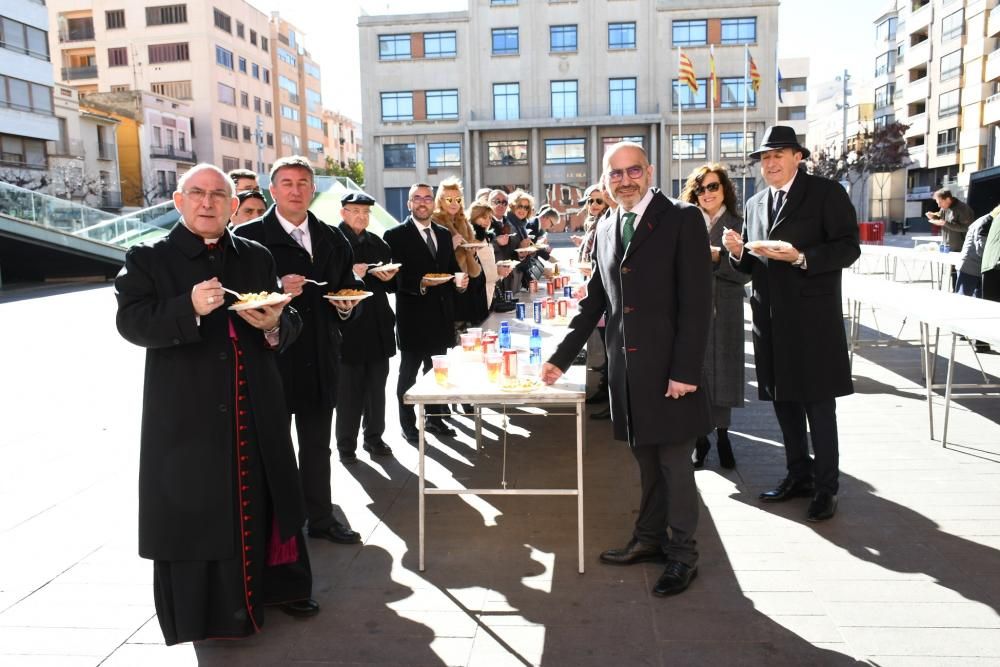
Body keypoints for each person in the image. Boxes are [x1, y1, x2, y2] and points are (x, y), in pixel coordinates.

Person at [115, 163, 319, 645]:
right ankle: (205, 613)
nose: (208, 203)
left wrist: (272, 325)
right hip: (189, 414)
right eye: (198, 194)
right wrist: (187, 306)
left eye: (218, 196)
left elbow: (288, 326)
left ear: (233, 204)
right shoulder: (148, 258)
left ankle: (279, 588)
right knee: (198, 507)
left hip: (257, 403)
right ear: (179, 202)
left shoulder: (254, 255)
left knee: (269, 494)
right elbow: (131, 323)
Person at [542, 142, 713, 597]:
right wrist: (561, 357)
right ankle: (650, 540)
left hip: (672, 372)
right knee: (646, 462)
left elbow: (698, 305)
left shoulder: (682, 218)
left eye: (632, 171)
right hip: (629, 374)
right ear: (605, 180)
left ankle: (683, 556)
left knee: (675, 466)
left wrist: (686, 371)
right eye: (614, 174)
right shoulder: (605, 224)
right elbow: (596, 301)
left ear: (650, 171)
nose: (624, 180)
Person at [722, 125, 860, 523]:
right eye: (765, 157)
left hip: (813, 322)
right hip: (769, 320)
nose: (770, 163)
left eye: (778, 154)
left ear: (798, 156)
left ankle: (826, 487)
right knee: (783, 404)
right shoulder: (755, 203)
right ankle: (797, 475)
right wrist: (736, 252)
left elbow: (849, 247)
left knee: (818, 406)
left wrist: (801, 257)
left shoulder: (826, 193)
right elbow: (749, 266)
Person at [234, 155, 365, 545]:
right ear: (273, 190)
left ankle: (321, 518)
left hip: (320, 356)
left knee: (316, 447)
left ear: (313, 190)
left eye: (303, 183)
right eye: (287, 183)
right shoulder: (249, 238)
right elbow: (236, 298)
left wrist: (346, 310)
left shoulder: (331, 236)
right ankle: (273, 526)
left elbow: (345, 292)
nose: (295, 190)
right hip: (269, 359)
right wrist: (276, 284)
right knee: (268, 447)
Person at [384, 183, 469, 443]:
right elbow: (392, 280)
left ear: (434, 203)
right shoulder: (394, 235)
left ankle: (434, 419)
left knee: (436, 371)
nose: (423, 202)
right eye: (416, 198)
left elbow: (452, 267)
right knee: (408, 373)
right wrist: (421, 283)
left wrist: (460, 282)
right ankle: (407, 424)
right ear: (409, 204)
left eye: (427, 198)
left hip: (442, 315)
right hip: (413, 317)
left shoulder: (443, 234)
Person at [680, 164, 751, 469]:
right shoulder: (683, 221)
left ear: (724, 190)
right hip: (691, 308)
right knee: (693, 372)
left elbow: (748, 273)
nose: (707, 193)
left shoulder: (739, 223)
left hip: (726, 307)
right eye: (701, 188)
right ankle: (699, 437)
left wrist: (721, 257)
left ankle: (723, 436)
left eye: (713, 187)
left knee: (723, 374)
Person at [334, 192, 399, 462]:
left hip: (378, 325)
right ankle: (346, 446)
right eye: (355, 211)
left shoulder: (377, 243)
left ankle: (374, 438)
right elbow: (330, 283)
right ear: (343, 213)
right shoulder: (333, 241)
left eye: (366, 212)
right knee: (349, 392)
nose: (361, 216)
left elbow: (392, 285)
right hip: (349, 328)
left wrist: (388, 277)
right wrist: (353, 274)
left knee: (376, 390)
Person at [432, 177, 488, 325]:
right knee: (456, 329)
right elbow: (431, 254)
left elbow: (470, 247)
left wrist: (474, 250)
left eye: (458, 199)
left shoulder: (463, 220)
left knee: (471, 328)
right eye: (449, 199)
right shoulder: (434, 221)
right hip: (449, 282)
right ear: (440, 200)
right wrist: (449, 245)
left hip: (468, 280)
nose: (454, 203)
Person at [926, 188, 975, 252]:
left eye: (940, 202)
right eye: (937, 203)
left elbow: (966, 228)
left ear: (948, 199)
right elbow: (941, 219)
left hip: (960, 249)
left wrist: (945, 223)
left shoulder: (963, 209)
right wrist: (933, 217)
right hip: (946, 246)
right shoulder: (944, 208)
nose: (939, 205)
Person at [980, 203, 1000, 302]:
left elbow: (982, 229)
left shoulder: (995, 214)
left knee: (991, 309)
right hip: (996, 265)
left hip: (989, 264)